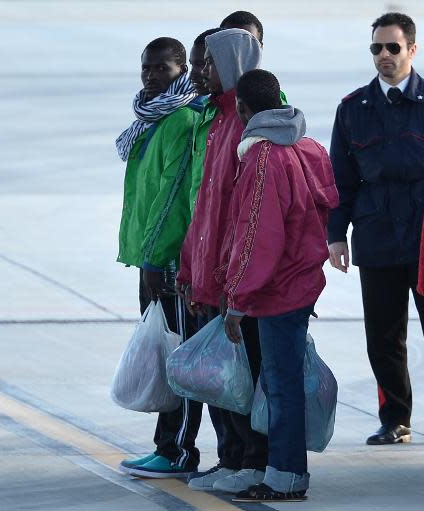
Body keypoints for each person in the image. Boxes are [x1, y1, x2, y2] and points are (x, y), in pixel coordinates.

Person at [220, 69, 338, 503]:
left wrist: (237, 299)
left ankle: (286, 475)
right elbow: (324, 208)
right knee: (283, 381)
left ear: (242, 108)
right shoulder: (308, 147)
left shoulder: (262, 158)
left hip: (277, 290)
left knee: (280, 383)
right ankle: (283, 470)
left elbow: (257, 237)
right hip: (302, 284)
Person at [175, 28, 269, 494]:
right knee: (220, 379)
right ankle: (230, 456)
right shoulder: (216, 120)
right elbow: (205, 206)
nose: (201, 71)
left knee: (244, 376)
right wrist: (189, 268)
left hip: (234, 279)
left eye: (209, 63)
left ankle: (252, 459)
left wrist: (229, 279)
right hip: (209, 274)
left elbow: (245, 216)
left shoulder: (249, 125)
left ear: (231, 64)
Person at [328, 12, 424, 445]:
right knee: (383, 337)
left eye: (392, 47)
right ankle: (395, 419)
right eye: (376, 49)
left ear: (412, 49)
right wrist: (335, 235)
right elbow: (341, 181)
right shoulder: (353, 110)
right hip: (377, 236)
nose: (383, 56)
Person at [114, 37, 200, 478]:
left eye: (161, 69)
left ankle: (177, 450)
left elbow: (171, 202)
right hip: (150, 258)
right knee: (167, 356)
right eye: (146, 68)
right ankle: (167, 446)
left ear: (181, 69)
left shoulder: (181, 120)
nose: (150, 77)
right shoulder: (151, 119)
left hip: (166, 262)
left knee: (178, 357)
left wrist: (153, 260)